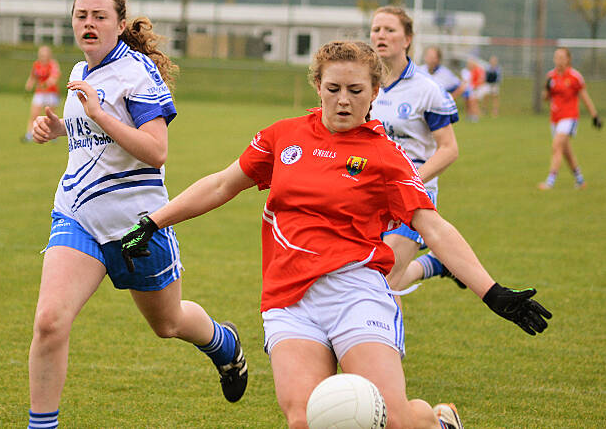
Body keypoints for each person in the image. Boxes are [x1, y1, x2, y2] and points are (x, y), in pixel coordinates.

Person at [121, 40, 552, 429]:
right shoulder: (282, 137)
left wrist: (491, 292)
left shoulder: (387, 157)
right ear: (318, 86)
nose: (343, 100)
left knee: (395, 419)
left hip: (356, 292)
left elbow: (432, 226)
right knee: (306, 419)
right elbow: (221, 184)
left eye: (355, 91)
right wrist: (155, 221)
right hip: (289, 299)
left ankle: (438, 422)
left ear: (374, 94)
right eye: (333, 89)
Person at [26, 0, 247, 429]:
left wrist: (100, 115)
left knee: (168, 324)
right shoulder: (78, 70)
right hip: (77, 215)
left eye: (99, 16)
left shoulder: (137, 72)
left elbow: (155, 150)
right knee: (49, 321)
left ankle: (223, 343)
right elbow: (95, 137)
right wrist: (60, 130)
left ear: (120, 24)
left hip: (136, 228)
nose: (88, 23)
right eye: (81, 15)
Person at [370, 7, 462, 292]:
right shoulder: (363, 85)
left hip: (413, 195)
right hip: (371, 193)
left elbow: (449, 149)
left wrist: (410, 181)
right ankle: (434, 264)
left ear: (407, 38)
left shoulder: (427, 89)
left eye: (390, 30)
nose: (381, 35)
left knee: (382, 279)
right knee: (375, 281)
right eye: (376, 29)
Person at [538, 47, 601, 190]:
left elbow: (584, 97)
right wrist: (547, 90)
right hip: (555, 118)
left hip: (570, 117)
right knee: (566, 151)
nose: (558, 60)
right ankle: (579, 179)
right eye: (556, 57)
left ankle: (550, 181)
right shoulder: (551, 76)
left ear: (568, 59)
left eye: (561, 57)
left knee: (556, 146)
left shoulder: (574, 77)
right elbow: (545, 98)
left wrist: (594, 115)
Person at [22, 45, 61, 142]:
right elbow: (33, 77)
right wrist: (29, 85)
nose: (43, 56)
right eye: (41, 54)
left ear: (49, 55)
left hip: (51, 93)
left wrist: (45, 84)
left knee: (51, 117)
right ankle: (29, 134)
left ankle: (53, 135)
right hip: (39, 93)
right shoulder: (36, 64)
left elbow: (54, 78)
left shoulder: (53, 64)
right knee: (34, 115)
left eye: (45, 54)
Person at [460, 58, 484, 122]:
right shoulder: (468, 71)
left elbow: (479, 79)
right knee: (469, 103)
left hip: (474, 89)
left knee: (473, 102)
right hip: (470, 88)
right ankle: (470, 115)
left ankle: (475, 116)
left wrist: (475, 86)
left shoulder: (476, 70)